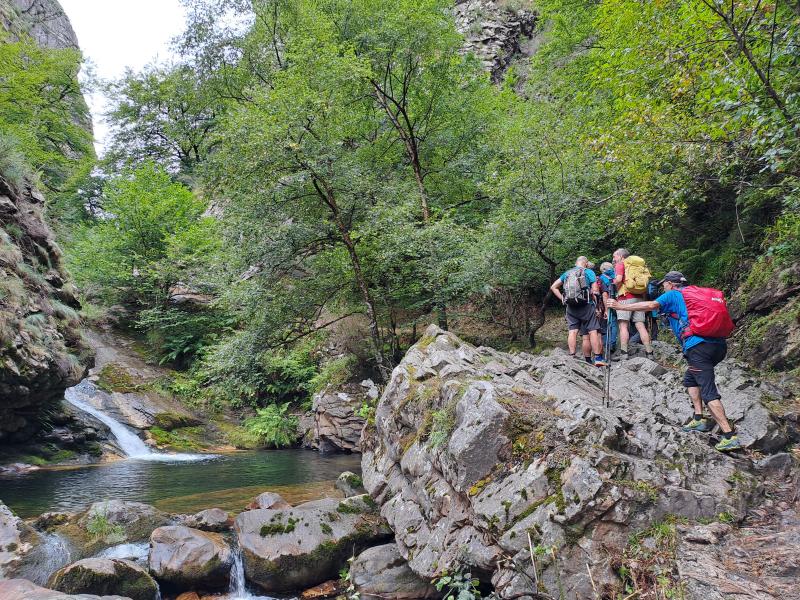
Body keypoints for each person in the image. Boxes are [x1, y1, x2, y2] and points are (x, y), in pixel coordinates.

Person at [607, 271, 740, 452]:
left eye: (664, 285)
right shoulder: (696, 294)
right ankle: (699, 419)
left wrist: (619, 306)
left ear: (670, 284)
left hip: (698, 346)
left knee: (708, 390)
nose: (663, 287)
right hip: (718, 346)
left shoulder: (673, 294)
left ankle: (729, 435)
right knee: (691, 379)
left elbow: (652, 305)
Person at [550, 256, 607, 367]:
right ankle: (598, 358)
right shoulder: (588, 272)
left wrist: (563, 299)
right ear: (585, 263)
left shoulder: (567, 273)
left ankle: (572, 356)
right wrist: (597, 305)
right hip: (586, 305)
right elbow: (595, 290)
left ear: (576, 263)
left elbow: (553, 287)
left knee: (573, 331)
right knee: (593, 331)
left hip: (571, 306)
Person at [612, 248, 653, 358]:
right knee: (640, 325)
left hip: (625, 298)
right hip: (639, 298)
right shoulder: (639, 267)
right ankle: (649, 352)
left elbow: (619, 279)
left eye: (615, 256)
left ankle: (624, 353)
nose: (613, 259)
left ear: (621, 256)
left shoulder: (621, 264)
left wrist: (614, 287)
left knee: (623, 325)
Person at [598, 261, 618, 353]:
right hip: (617, 302)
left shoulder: (601, 278)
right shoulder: (616, 276)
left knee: (605, 325)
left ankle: (607, 344)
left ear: (603, 269)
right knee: (614, 324)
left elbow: (604, 294)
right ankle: (612, 344)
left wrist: (605, 309)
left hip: (605, 304)